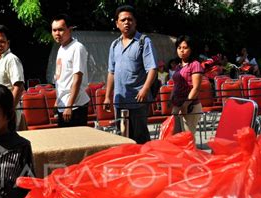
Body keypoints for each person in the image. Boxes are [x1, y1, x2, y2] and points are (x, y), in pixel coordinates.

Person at [103, 5, 157, 144]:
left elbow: (152, 69)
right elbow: (111, 72)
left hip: (138, 100)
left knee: (140, 138)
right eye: (123, 20)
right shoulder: (114, 45)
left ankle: (144, 164)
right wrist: (108, 96)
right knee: (122, 137)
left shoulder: (144, 42)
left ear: (135, 22)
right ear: (117, 23)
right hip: (119, 101)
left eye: (130, 19)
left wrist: (145, 89)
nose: (127, 22)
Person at [51, 13, 90, 128]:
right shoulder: (61, 49)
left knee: (77, 143)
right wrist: (57, 100)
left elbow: (77, 78)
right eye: (54, 30)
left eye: (61, 30)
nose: (57, 33)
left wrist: (69, 106)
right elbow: (61, 78)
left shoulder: (77, 48)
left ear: (70, 29)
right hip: (63, 104)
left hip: (75, 106)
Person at [0, 24, 26, 130]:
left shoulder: (11, 59)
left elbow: (18, 86)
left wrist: (9, 109)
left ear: (8, 43)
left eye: (2, 41)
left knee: (9, 142)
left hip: (8, 113)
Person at [170, 35, 204, 136]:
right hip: (177, 105)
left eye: (185, 48)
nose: (181, 50)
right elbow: (176, 84)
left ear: (191, 49)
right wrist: (171, 97)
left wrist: (186, 104)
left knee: (187, 138)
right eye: (179, 48)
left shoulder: (195, 64)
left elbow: (196, 88)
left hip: (190, 107)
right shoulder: (178, 66)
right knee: (174, 137)